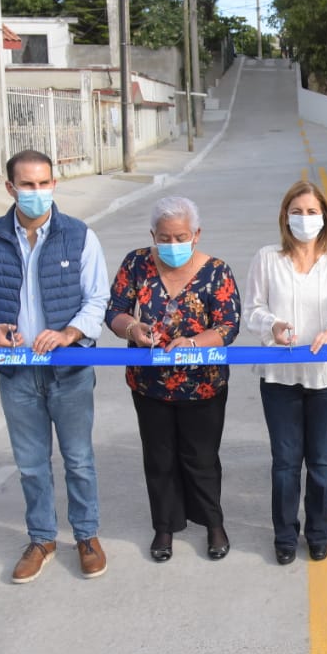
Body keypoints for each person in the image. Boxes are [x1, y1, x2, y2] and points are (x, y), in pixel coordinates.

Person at [0, 150, 110, 583]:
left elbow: (97, 298)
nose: (36, 192)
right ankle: (42, 538)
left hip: (70, 370)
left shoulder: (79, 236)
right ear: (10, 188)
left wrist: (69, 334)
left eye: (43, 184)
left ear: (54, 184)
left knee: (79, 459)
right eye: (27, 185)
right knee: (30, 463)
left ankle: (86, 536)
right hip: (16, 372)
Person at [106, 196, 240, 562]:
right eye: (164, 238)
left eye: (181, 237)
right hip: (149, 385)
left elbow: (228, 325)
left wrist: (195, 343)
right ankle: (164, 526)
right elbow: (115, 310)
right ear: (153, 235)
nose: (172, 244)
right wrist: (133, 329)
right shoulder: (136, 264)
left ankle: (213, 523)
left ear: (196, 234)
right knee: (159, 457)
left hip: (203, 385)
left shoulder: (216, 271)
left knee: (202, 457)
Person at [244, 182, 327, 565]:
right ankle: (285, 535)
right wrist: (273, 325)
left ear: (324, 217)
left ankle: (319, 533)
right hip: (280, 377)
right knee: (285, 462)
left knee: (322, 462)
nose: (304, 219)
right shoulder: (267, 258)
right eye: (297, 211)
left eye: (312, 212)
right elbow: (253, 309)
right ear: (285, 216)